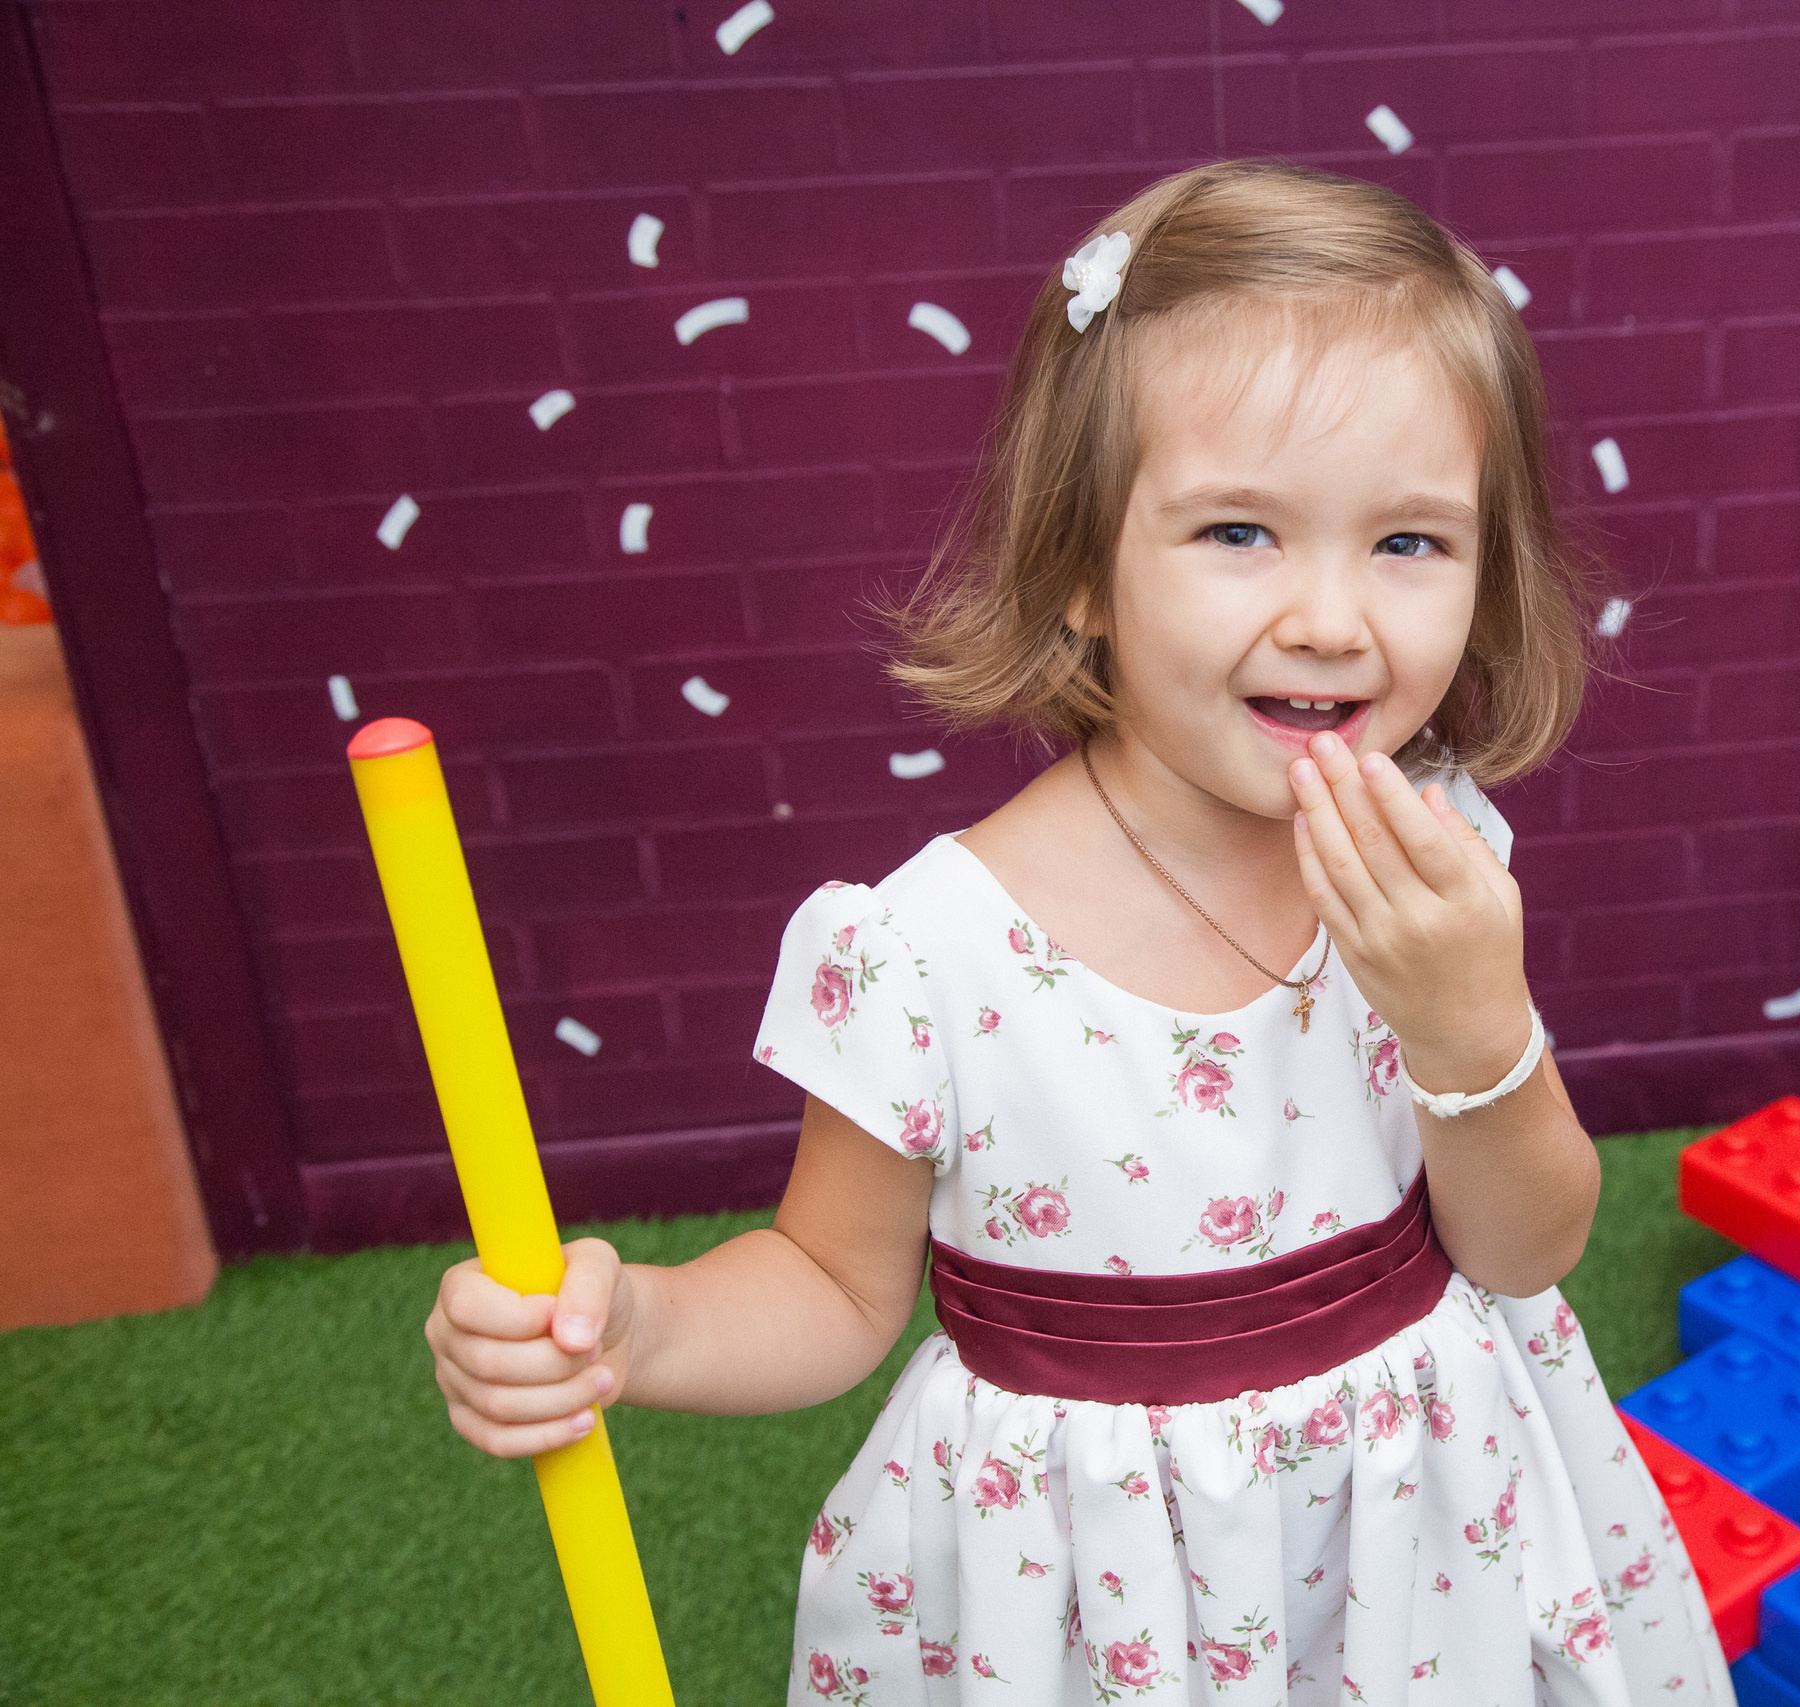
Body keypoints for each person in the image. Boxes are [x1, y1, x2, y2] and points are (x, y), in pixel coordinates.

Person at [422, 162, 1730, 1705]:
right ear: (1078, 571)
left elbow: (1530, 1246)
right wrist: (635, 1322)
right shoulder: (927, 952)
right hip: (1099, 1602)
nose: (1332, 617)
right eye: (1239, 531)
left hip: (1424, 1544)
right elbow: (833, 1287)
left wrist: (1471, 1028)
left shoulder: (1430, 852)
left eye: (1410, 543)